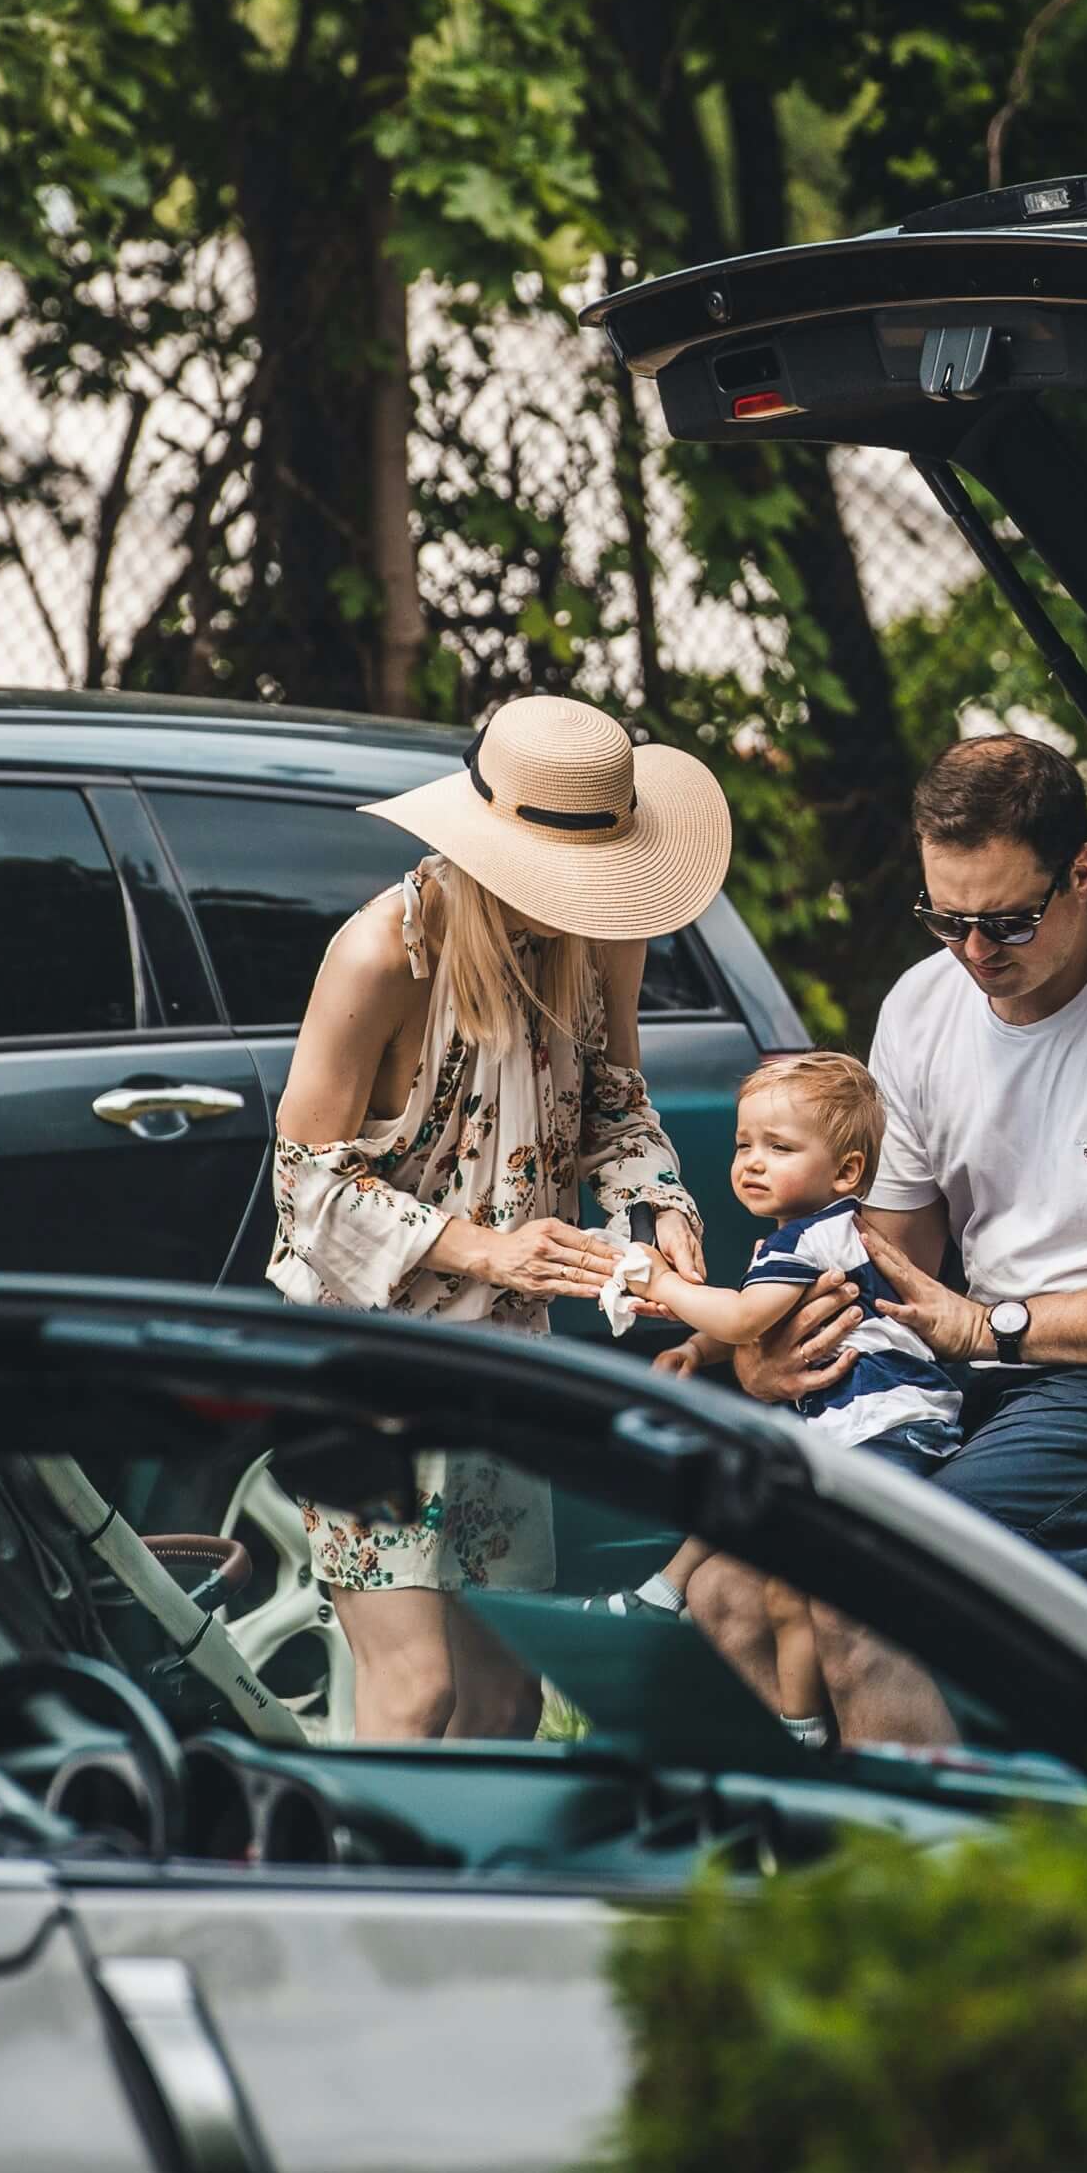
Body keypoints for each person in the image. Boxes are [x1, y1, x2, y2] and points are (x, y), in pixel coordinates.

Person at [266, 693, 730, 1742]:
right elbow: (306, 1190)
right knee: (416, 1687)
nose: (581, 900)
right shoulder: (383, 954)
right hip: (365, 1356)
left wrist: (660, 1202)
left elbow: (614, 1099)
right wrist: (488, 1248)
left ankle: (486, 1894)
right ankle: (361, 1899)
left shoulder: (601, 934)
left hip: (500, 1358)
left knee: (508, 1693)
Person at [735, 735, 1087, 1583]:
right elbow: (887, 1258)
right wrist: (768, 1351)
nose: (973, 953)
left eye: (1008, 922)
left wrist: (998, 1325)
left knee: (901, 1563)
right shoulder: (923, 1006)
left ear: (1081, 872)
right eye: (944, 919)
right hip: (992, 1367)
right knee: (742, 1563)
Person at [612, 1053, 958, 1738]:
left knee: (790, 1552)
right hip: (866, 1426)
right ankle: (796, 1719)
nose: (752, 1162)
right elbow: (754, 1316)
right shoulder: (803, 1240)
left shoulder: (812, 1237)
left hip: (882, 1425)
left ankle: (796, 1724)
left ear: (847, 1172)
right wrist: (693, 1348)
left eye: (779, 1147)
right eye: (744, 1144)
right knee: (779, 1569)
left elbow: (744, 1318)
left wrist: (663, 1288)